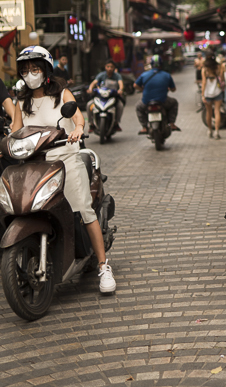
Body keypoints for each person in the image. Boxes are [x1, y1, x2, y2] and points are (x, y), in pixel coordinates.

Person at [11, 45, 116, 294]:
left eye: (35, 68)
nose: (30, 74)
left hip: (65, 159)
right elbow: (15, 130)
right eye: (26, 70)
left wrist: (78, 128)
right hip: (35, 163)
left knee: (83, 208)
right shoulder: (22, 100)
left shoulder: (62, 93)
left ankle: (103, 266)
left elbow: (78, 117)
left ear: (45, 70)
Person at [134, 55, 180, 134]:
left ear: (151, 64)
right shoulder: (167, 75)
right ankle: (172, 124)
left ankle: (144, 127)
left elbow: (135, 85)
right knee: (174, 102)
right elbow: (173, 89)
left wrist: (143, 89)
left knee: (138, 107)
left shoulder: (144, 75)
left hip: (146, 101)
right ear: (161, 64)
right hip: (163, 101)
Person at [87, 59, 125, 132]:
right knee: (89, 105)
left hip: (112, 97)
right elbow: (94, 82)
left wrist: (120, 90)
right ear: (105, 67)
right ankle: (91, 124)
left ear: (114, 68)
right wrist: (90, 88)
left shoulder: (117, 76)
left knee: (120, 105)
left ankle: (116, 123)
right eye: (108, 66)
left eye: (111, 67)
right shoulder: (101, 75)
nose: (109, 68)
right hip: (101, 97)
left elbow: (121, 84)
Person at [202, 54, 223, 140]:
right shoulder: (217, 67)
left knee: (208, 112)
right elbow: (222, 78)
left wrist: (202, 95)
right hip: (217, 91)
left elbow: (203, 83)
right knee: (217, 111)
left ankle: (210, 130)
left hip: (208, 93)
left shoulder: (204, 69)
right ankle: (216, 132)